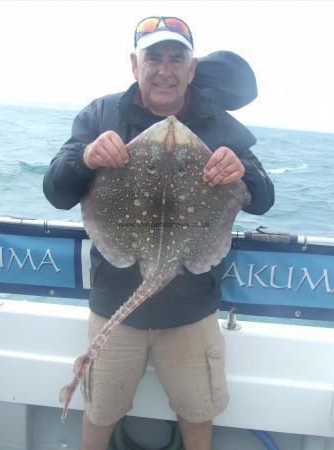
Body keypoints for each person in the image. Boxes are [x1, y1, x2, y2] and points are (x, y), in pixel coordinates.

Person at [43, 16, 274, 450]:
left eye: (176, 59)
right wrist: (86, 159)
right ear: (135, 65)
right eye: (154, 58)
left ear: (191, 68)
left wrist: (244, 173)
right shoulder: (100, 114)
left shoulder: (220, 124)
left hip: (190, 311)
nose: (165, 70)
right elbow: (56, 190)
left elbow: (263, 198)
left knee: (197, 413)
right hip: (115, 303)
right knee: (99, 412)